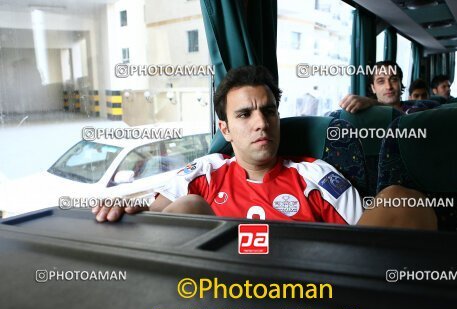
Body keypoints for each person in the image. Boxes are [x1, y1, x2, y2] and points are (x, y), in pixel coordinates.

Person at [93, 65, 437, 230]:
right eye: (245, 114)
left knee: (402, 199)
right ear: (224, 129)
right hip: (215, 294)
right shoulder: (206, 170)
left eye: (268, 111)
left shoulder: (316, 175)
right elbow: (152, 208)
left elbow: (369, 236)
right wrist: (124, 204)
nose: (261, 123)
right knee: (188, 206)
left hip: (304, 296)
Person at [339, 61, 436, 114]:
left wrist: (373, 102)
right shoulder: (363, 114)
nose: (388, 86)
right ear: (373, 88)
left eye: (393, 79)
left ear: (400, 83)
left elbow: (408, 119)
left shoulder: (419, 107)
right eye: (381, 81)